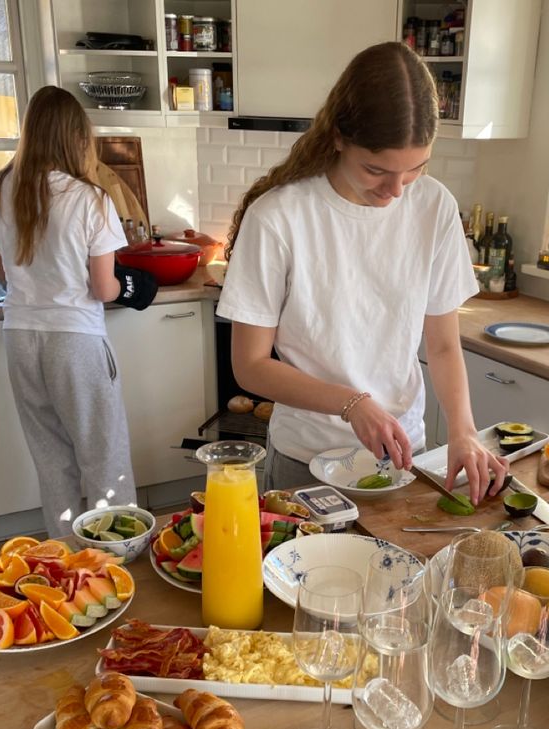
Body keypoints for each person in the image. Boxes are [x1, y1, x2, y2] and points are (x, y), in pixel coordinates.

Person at [217, 41, 508, 504]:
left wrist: (463, 431)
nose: (396, 191)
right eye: (376, 170)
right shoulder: (279, 216)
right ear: (337, 137)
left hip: (402, 459)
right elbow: (249, 365)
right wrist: (352, 404)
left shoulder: (434, 206)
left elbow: (444, 343)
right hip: (304, 463)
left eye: (415, 169)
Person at [0, 85, 137, 538]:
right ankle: (120, 560)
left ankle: (67, 560)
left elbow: (5, 270)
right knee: (104, 456)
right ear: (76, 138)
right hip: (76, 340)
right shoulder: (90, 199)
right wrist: (128, 283)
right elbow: (104, 288)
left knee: (51, 457)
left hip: (21, 336)